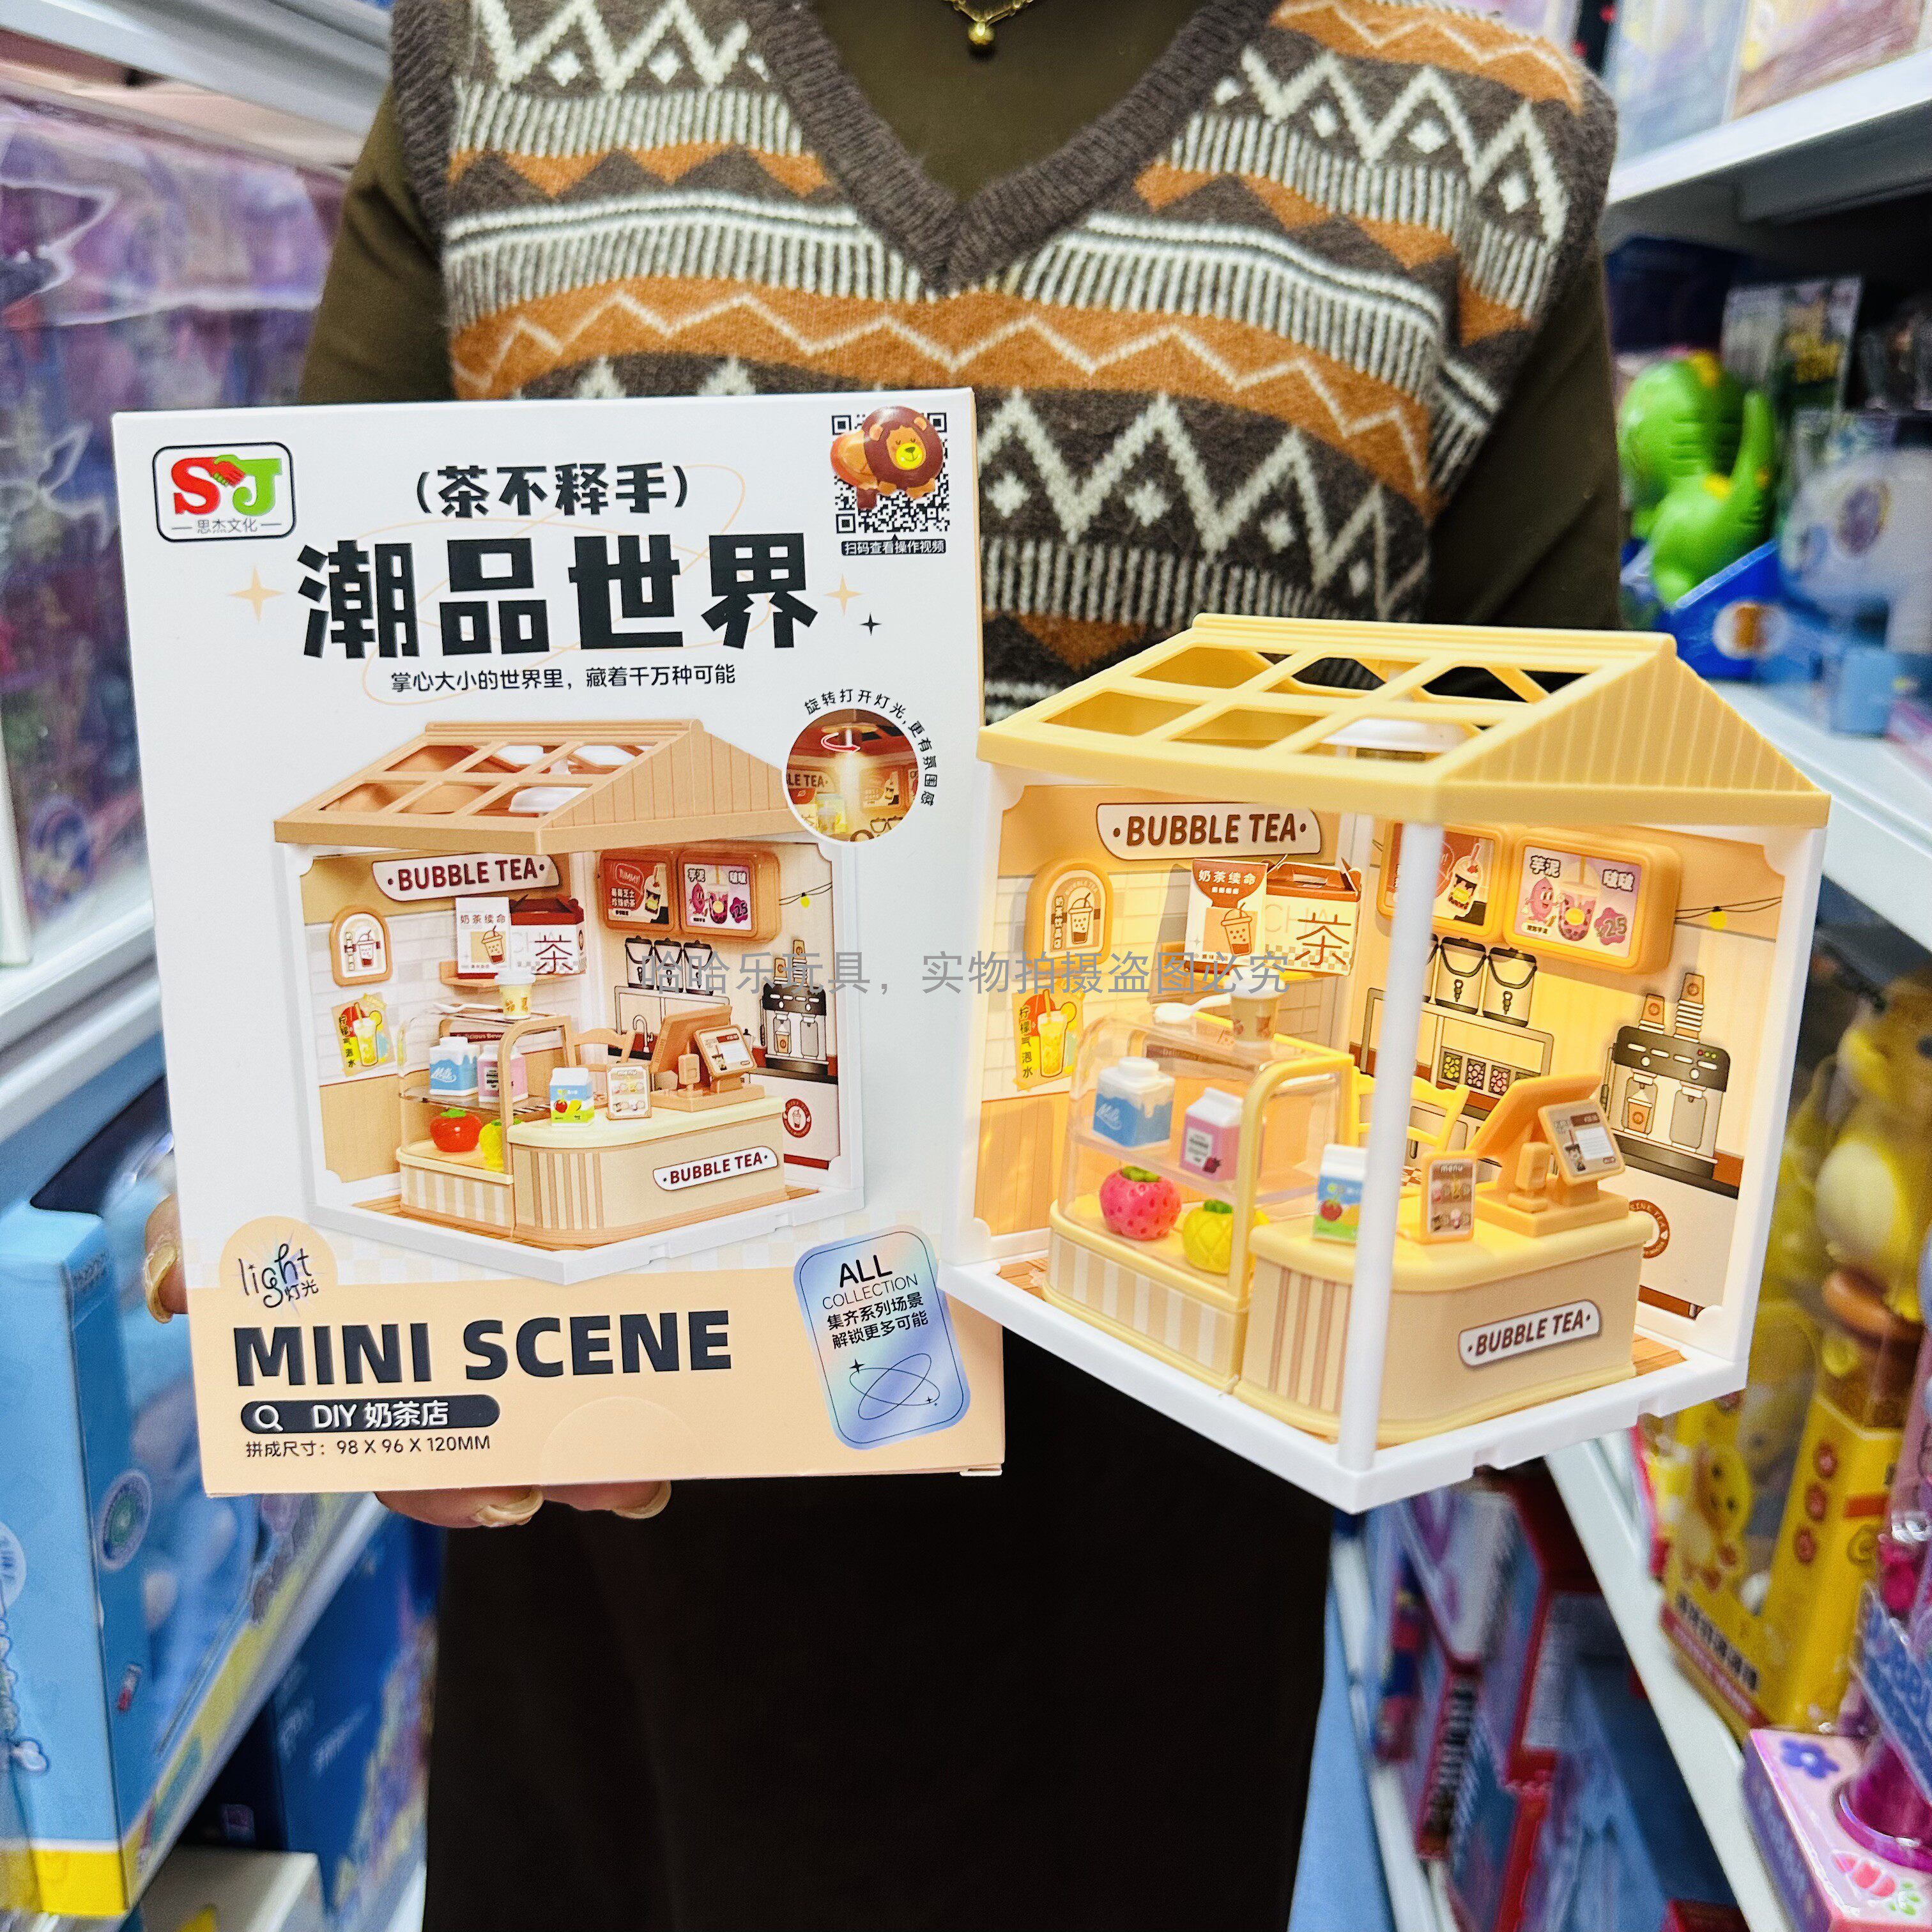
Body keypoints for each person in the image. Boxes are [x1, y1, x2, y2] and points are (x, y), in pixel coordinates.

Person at [152, 1, 1621, 1923]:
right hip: (624, 1478)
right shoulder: (505, 56)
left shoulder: (1482, 137)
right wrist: (285, 1183)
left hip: (1152, 1502)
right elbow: (286, 657)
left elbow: (1544, 885)